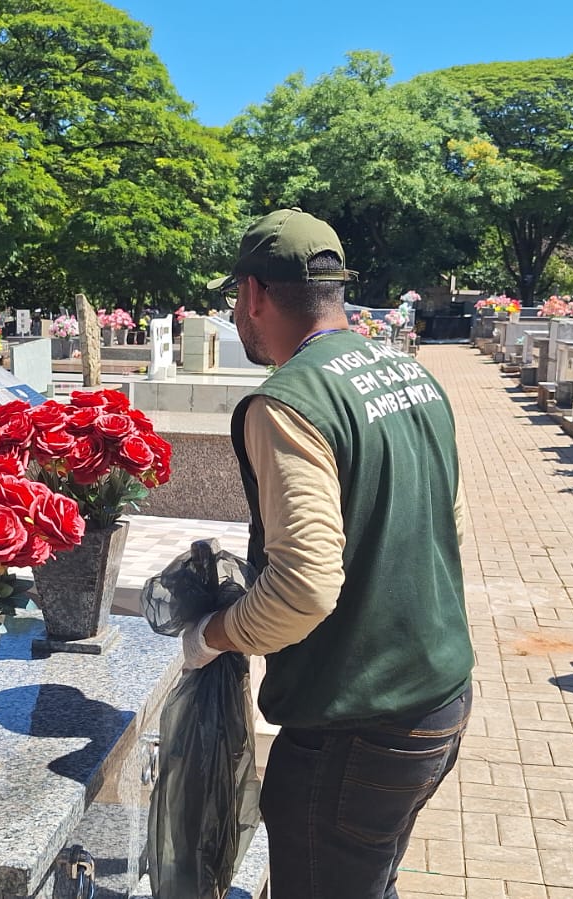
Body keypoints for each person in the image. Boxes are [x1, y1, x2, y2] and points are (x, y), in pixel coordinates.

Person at [181, 208, 473, 899]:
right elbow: (448, 523)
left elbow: (305, 586)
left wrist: (212, 635)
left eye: (234, 299)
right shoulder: (407, 373)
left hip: (355, 728)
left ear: (252, 294)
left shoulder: (290, 401)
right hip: (438, 700)